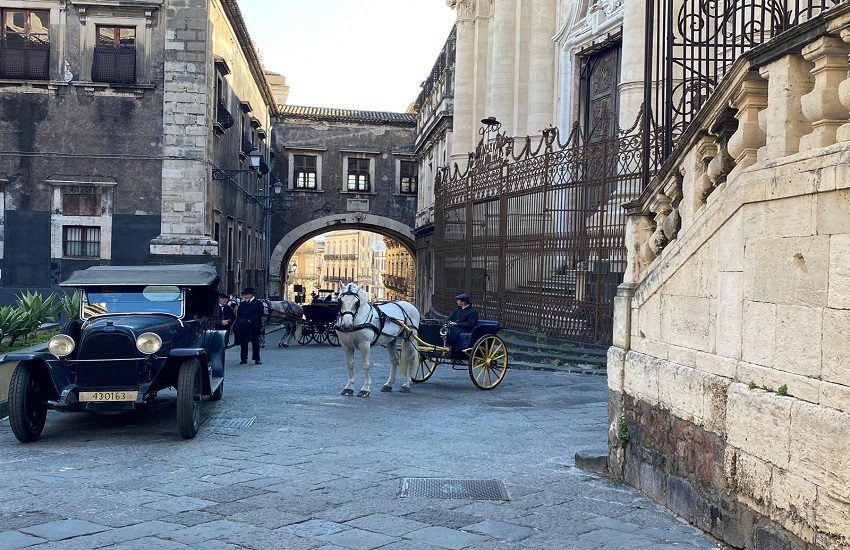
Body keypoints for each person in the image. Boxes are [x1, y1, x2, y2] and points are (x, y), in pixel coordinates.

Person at [234, 287, 264, 365]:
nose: (244, 296)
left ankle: (257, 359)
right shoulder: (242, 304)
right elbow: (239, 314)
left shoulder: (258, 303)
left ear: (251, 295)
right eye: (244, 294)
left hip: (254, 326)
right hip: (244, 326)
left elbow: (259, 313)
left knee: (255, 343)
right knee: (243, 343)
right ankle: (244, 359)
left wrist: (250, 319)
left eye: (246, 294)